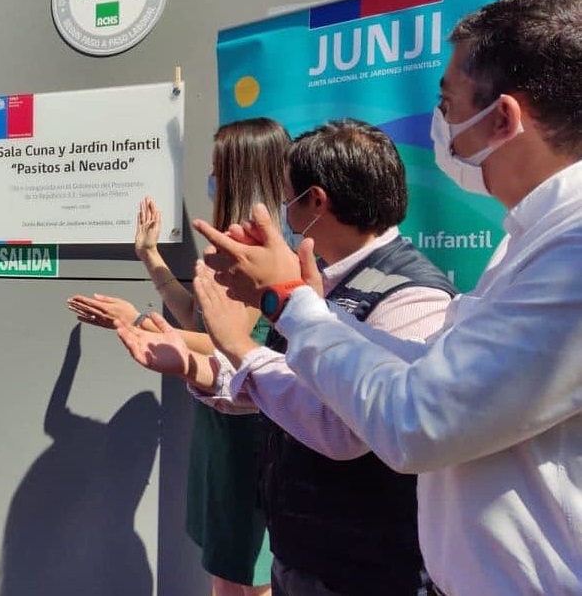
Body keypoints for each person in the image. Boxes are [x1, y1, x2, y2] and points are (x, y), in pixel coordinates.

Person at [191, 0, 582, 594]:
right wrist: (297, 311)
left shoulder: (572, 249)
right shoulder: (530, 240)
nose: (441, 125)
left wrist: (286, 304)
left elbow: (415, 418)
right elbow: (430, 372)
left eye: (448, 103)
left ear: (503, 118)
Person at [119, 120, 457, 594]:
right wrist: (193, 366)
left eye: (287, 195)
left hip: (371, 568)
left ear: (316, 202)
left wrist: (238, 344)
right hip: (303, 549)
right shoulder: (313, 274)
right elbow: (283, 382)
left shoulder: (415, 297)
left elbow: (343, 430)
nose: (282, 208)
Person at [69, 118, 288, 595]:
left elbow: (238, 349)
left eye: (217, 171)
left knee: (243, 576)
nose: (211, 181)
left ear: (241, 175)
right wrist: (150, 257)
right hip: (219, 426)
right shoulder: (226, 249)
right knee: (227, 570)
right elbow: (200, 321)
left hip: (248, 432)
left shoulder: (263, 256)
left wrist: (143, 324)